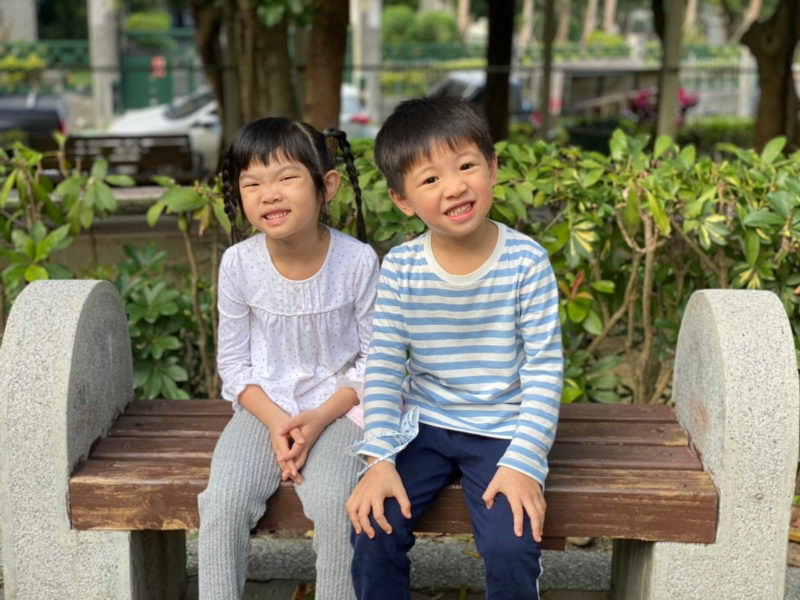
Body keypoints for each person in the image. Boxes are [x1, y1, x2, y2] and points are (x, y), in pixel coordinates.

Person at [346, 97, 563, 600]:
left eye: (466, 166)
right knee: (374, 525)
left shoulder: (526, 263)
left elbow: (544, 370)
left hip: (503, 429)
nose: (454, 187)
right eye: (430, 179)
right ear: (402, 199)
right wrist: (379, 459)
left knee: (511, 543)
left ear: (492, 168)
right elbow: (384, 367)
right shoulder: (401, 267)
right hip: (424, 424)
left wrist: (523, 462)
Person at [198, 117, 379, 600]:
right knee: (223, 501)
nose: (269, 194)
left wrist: (317, 419)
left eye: (287, 177)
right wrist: (279, 422)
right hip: (263, 408)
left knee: (339, 503)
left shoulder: (358, 261)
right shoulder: (239, 264)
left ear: (327, 186)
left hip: (340, 410)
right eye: (252, 183)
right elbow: (234, 364)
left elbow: (375, 359)